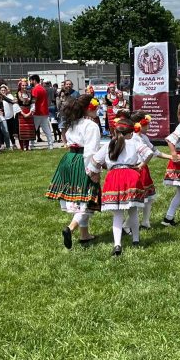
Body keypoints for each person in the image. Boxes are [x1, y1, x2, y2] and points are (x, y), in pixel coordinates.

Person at [88, 117, 154, 256]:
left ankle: (117, 244)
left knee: (117, 214)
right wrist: (141, 165)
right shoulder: (134, 143)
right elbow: (149, 153)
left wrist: (96, 171)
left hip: (114, 178)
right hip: (131, 176)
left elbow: (94, 161)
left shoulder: (109, 144)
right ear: (130, 133)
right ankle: (136, 240)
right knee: (133, 210)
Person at [45, 95, 102, 248]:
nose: (97, 109)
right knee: (87, 198)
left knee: (80, 198)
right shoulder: (91, 126)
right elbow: (90, 151)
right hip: (82, 160)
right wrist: (93, 170)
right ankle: (70, 228)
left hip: (69, 159)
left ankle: (84, 234)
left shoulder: (73, 123)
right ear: (87, 108)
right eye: (94, 107)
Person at [126, 111, 169, 230]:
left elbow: (155, 151)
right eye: (147, 123)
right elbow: (150, 153)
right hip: (137, 168)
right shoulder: (133, 138)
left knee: (149, 198)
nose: (149, 126)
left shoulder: (144, 137)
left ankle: (145, 222)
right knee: (140, 199)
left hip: (143, 169)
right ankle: (126, 226)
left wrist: (171, 157)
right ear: (141, 124)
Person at [29, 74, 54, 149]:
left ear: (34, 80)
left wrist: (31, 109)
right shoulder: (42, 88)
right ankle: (50, 144)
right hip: (44, 111)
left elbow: (34, 100)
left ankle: (31, 144)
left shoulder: (35, 89)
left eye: (31, 81)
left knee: (33, 128)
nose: (30, 82)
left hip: (38, 112)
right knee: (46, 128)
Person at [57, 79, 80, 146]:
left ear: (72, 85)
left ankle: (71, 142)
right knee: (63, 128)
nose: (68, 85)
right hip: (63, 113)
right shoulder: (61, 93)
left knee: (72, 128)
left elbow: (79, 103)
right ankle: (65, 143)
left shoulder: (76, 93)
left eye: (70, 84)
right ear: (64, 85)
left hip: (72, 114)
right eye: (67, 84)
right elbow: (58, 104)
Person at [15, 79, 34, 151]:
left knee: (28, 130)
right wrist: (22, 113)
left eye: (25, 85)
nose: (24, 87)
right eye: (23, 85)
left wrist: (30, 113)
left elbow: (33, 104)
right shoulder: (17, 94)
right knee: (21, 131)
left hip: (29, 113)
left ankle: (27, 146)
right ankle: (22, 147)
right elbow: (16, 105)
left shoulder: (30, 94)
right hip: (20, 114)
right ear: (20, 86)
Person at [0, 83, 18, 149]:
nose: (3, 91)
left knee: (11, 131)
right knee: (3, 132)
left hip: (10, 116)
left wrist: (4, 96)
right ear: (0, 91)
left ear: (6, 90)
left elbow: (12, 101)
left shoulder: (9, 96)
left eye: (4, 90)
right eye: (2, 90)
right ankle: (2, 145)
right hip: (2, 117)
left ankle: (13, 144)